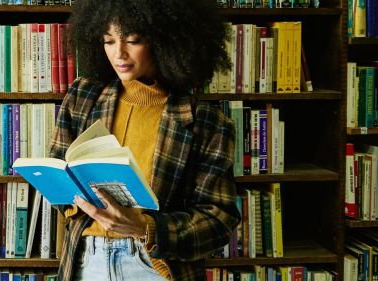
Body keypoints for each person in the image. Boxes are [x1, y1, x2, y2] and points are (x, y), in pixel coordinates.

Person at [50, 0, 240, 280]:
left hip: (153, 264)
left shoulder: (206, 123)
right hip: (87, 260)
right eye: (108, 41)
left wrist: (145, 227)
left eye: (133, 40)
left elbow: (218, 221)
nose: (119, 54)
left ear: (164, 40)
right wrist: (76, 201)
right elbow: (58, 177)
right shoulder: (82, 97)